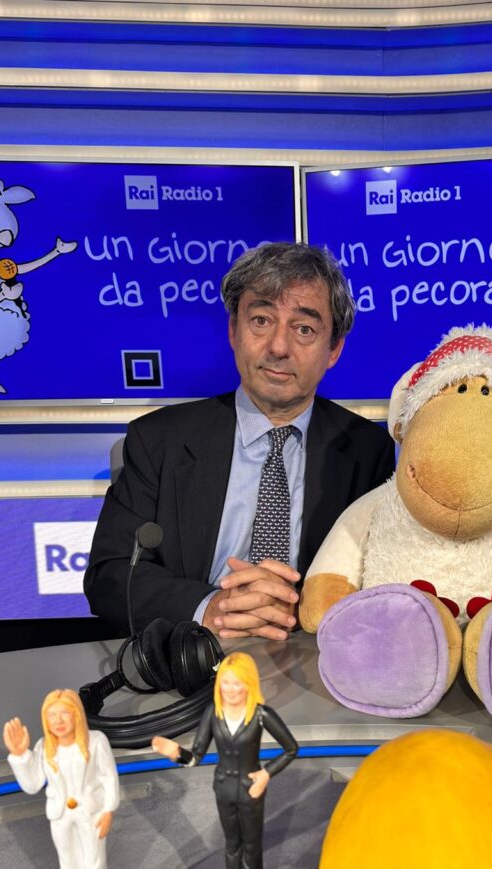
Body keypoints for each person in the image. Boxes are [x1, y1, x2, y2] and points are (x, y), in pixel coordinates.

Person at [84, 242, 395, 641]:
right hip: (193, 650)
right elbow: (110, 576)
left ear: (333, 349)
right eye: (261, 320)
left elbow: (381, 580)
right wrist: (209, 608)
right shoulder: (159, 440)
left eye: (304, 329)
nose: (279, 348)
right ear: (234, 330)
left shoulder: (368, 450)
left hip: (313, 656)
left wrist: (296, 607)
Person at [152, 651, 298, 869]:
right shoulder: (213, 713)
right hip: (224, 789)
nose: (231, 689)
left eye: (237, 683)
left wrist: (266, 774)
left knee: (251, 845)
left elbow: (291, 748)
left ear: (249, 683)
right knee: (232, 845)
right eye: (226, 682)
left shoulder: (261, 714)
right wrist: (176, 753)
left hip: (251, 789)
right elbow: (196, 756)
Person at [3, 689, 120, 869]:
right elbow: (33, 784)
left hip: (91, 811)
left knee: (93, 857)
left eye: (64, 713)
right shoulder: (44, 746)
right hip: (60, 814)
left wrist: (108, 809)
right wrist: (20, 755)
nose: (58, 721)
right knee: (68, 859)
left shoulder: (96, 741)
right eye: (51, 715)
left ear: (77, 714)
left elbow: (109, 777)